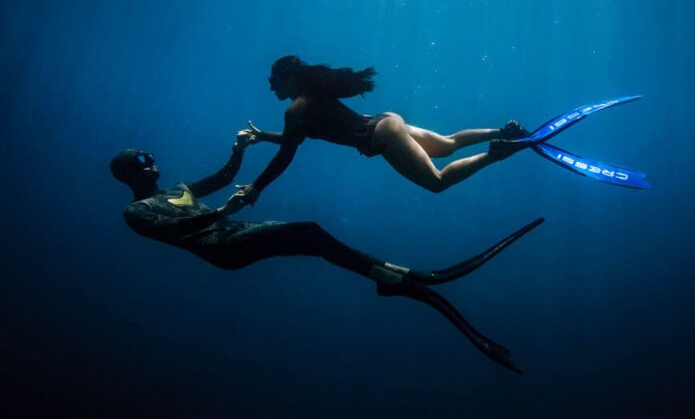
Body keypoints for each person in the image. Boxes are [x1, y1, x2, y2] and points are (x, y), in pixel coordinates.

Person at [110, 128, 545, 373]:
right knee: (309, 232)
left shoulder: (177, 189)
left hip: (235, 230)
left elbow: (223, 177)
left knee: (312, 236)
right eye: (142, 160)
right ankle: (394, 278)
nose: (152, 162)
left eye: (149, 156)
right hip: (222, 248)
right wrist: (225, 209)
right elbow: (183, 229)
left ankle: (394, 277)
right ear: (131, 172)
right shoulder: (138, 213)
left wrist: (238, 150)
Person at [231, 55, 530, 207]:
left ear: (288, 79)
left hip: (381, 136)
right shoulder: (309, 99)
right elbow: (291, 141)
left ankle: (497, 152)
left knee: (437, 183)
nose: (270, 86)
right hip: (386, 120)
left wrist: (257, 187)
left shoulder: (295, 110)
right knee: (448, 144)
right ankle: (503, 130)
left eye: (273, 79)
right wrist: (262, 136)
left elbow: (286, 154)